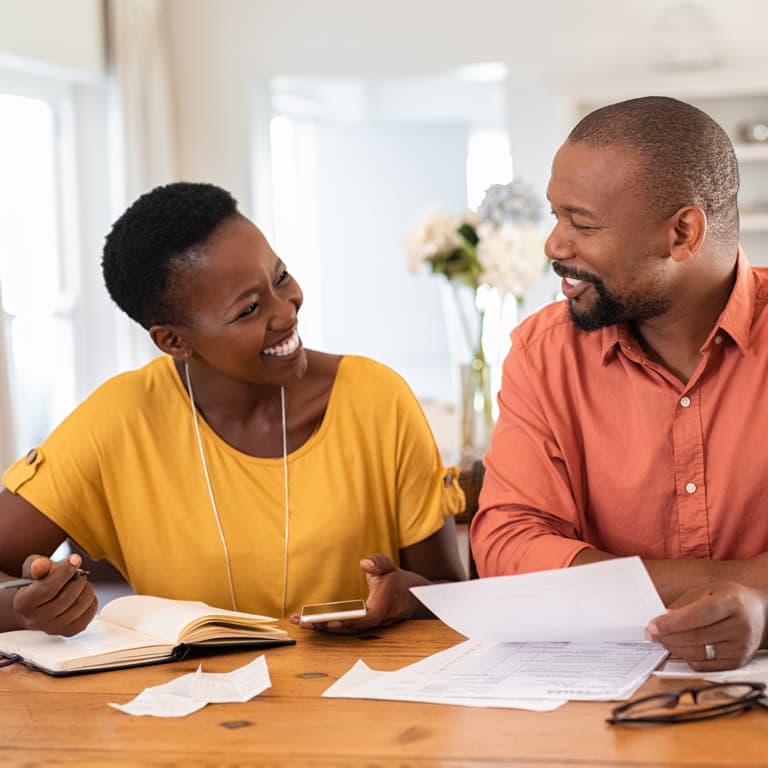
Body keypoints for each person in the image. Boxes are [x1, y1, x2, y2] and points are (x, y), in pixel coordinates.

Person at [0, 181, 466, 637]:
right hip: (183, 708)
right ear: (173, 340)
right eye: (248, 310)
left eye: (280, 276)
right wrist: (25, 609)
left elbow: (451, 597)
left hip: (366, 705)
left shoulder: (376, 398)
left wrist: (402, 596)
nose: (286, 312)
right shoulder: (118, 421)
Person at [471, 96, 768, 672]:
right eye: (556, 216)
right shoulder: (541, 354)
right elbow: (507, 549)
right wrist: (751, 587)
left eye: (582, 223)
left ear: (683, 233)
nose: (554, 246)